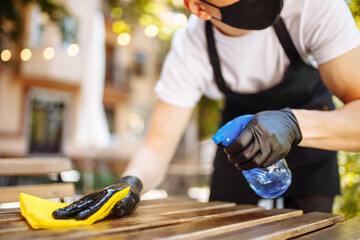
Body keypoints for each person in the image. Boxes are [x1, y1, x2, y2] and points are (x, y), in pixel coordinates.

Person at [53, 0, 360, 220]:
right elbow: (158, 147)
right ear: (198, 7)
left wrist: (293, 123)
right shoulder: (191, 46)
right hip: (237, 144)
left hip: (310, 134)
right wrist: (129, 184)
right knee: (226, 226)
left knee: (312, 228)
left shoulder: (315, 7)